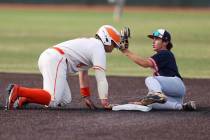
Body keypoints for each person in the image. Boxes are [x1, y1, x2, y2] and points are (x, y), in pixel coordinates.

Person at [6, 25, 122, 110]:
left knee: (65, 99)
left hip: (52, 58)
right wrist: (105, 101)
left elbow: (83, 72)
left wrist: (86, 96)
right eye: (114, 44)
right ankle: (18, 90)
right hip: (55, 59)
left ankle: (24, 99)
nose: (114, 47)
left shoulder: (93, 45)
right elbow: (101, 78)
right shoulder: (98, 48)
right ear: (106, 39)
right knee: (53, 100)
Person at [120, 28, 196, 111]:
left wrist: (126, 51)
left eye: (157, 39)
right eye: (153, 39)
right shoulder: (163, 55)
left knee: (150, 79)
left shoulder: (164, 53)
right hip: (173, 91)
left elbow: (144, 63)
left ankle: (157, 94)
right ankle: (181, 106)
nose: (153, 41)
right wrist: (142, 102)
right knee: (153, 103)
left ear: (165, 42)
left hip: (176, 84)